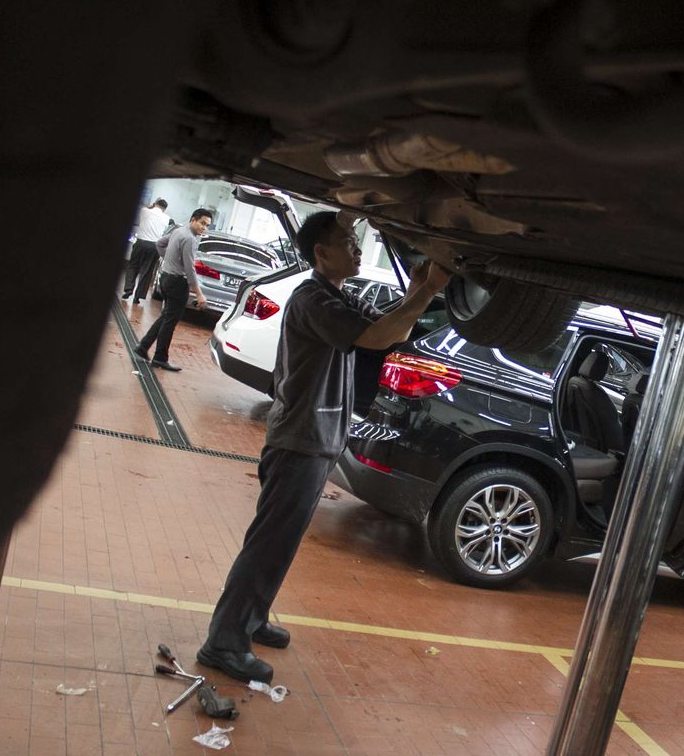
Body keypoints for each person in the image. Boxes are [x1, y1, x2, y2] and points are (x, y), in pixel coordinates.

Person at [196, 211, 450, 682]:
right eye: (349, 241)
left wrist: (419, 291)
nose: (357, 249)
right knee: (268, 544)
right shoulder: (313, 298)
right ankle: (223, 642)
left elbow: (392, 329)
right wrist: (429, 290)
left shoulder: (335, 295)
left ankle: (249, 619)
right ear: (321, 252)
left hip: (316, 440)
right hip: (300, 441)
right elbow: (376, 337)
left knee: (281, 543)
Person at [132, 209, 212, 371]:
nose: (204, 227)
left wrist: (168, 259)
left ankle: (143, 346)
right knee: (170, 321)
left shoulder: (178, 231)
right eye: (202, 223)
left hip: (166, 278)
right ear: (193, 220)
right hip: (177, 283)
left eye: (207, 225)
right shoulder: (189, 238)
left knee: (166, 316)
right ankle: (160, 358)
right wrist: (199, 293)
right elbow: (190, 269)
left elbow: (160, 243)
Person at [122, 198, 170, 303]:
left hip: (140, 243)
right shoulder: (166, 218)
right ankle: (138, 297)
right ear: (164, 209)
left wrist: (152, 204)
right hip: (154, 246)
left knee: (132, 266)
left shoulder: (144, 211)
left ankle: (129, 288)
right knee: (147, 271)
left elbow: (147, 207)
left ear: (155, 204)